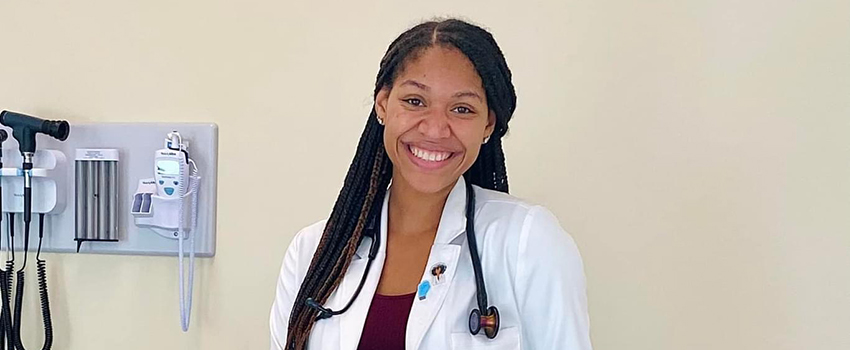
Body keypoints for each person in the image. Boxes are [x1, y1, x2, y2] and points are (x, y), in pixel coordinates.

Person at [270, 18, 591, 350]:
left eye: (462, 109)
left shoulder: (528, 241)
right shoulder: (313, 253)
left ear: (487, 125)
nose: (436, 129)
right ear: (382, 104)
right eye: (415, 101)